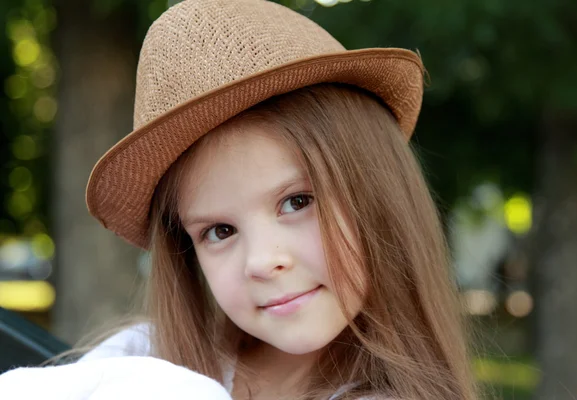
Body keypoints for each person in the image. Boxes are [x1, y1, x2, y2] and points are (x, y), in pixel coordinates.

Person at [0, 0, 478, 399]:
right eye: (219, 231)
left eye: (297, 201)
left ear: (376, 190)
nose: (263, 261)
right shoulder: (139, 361)